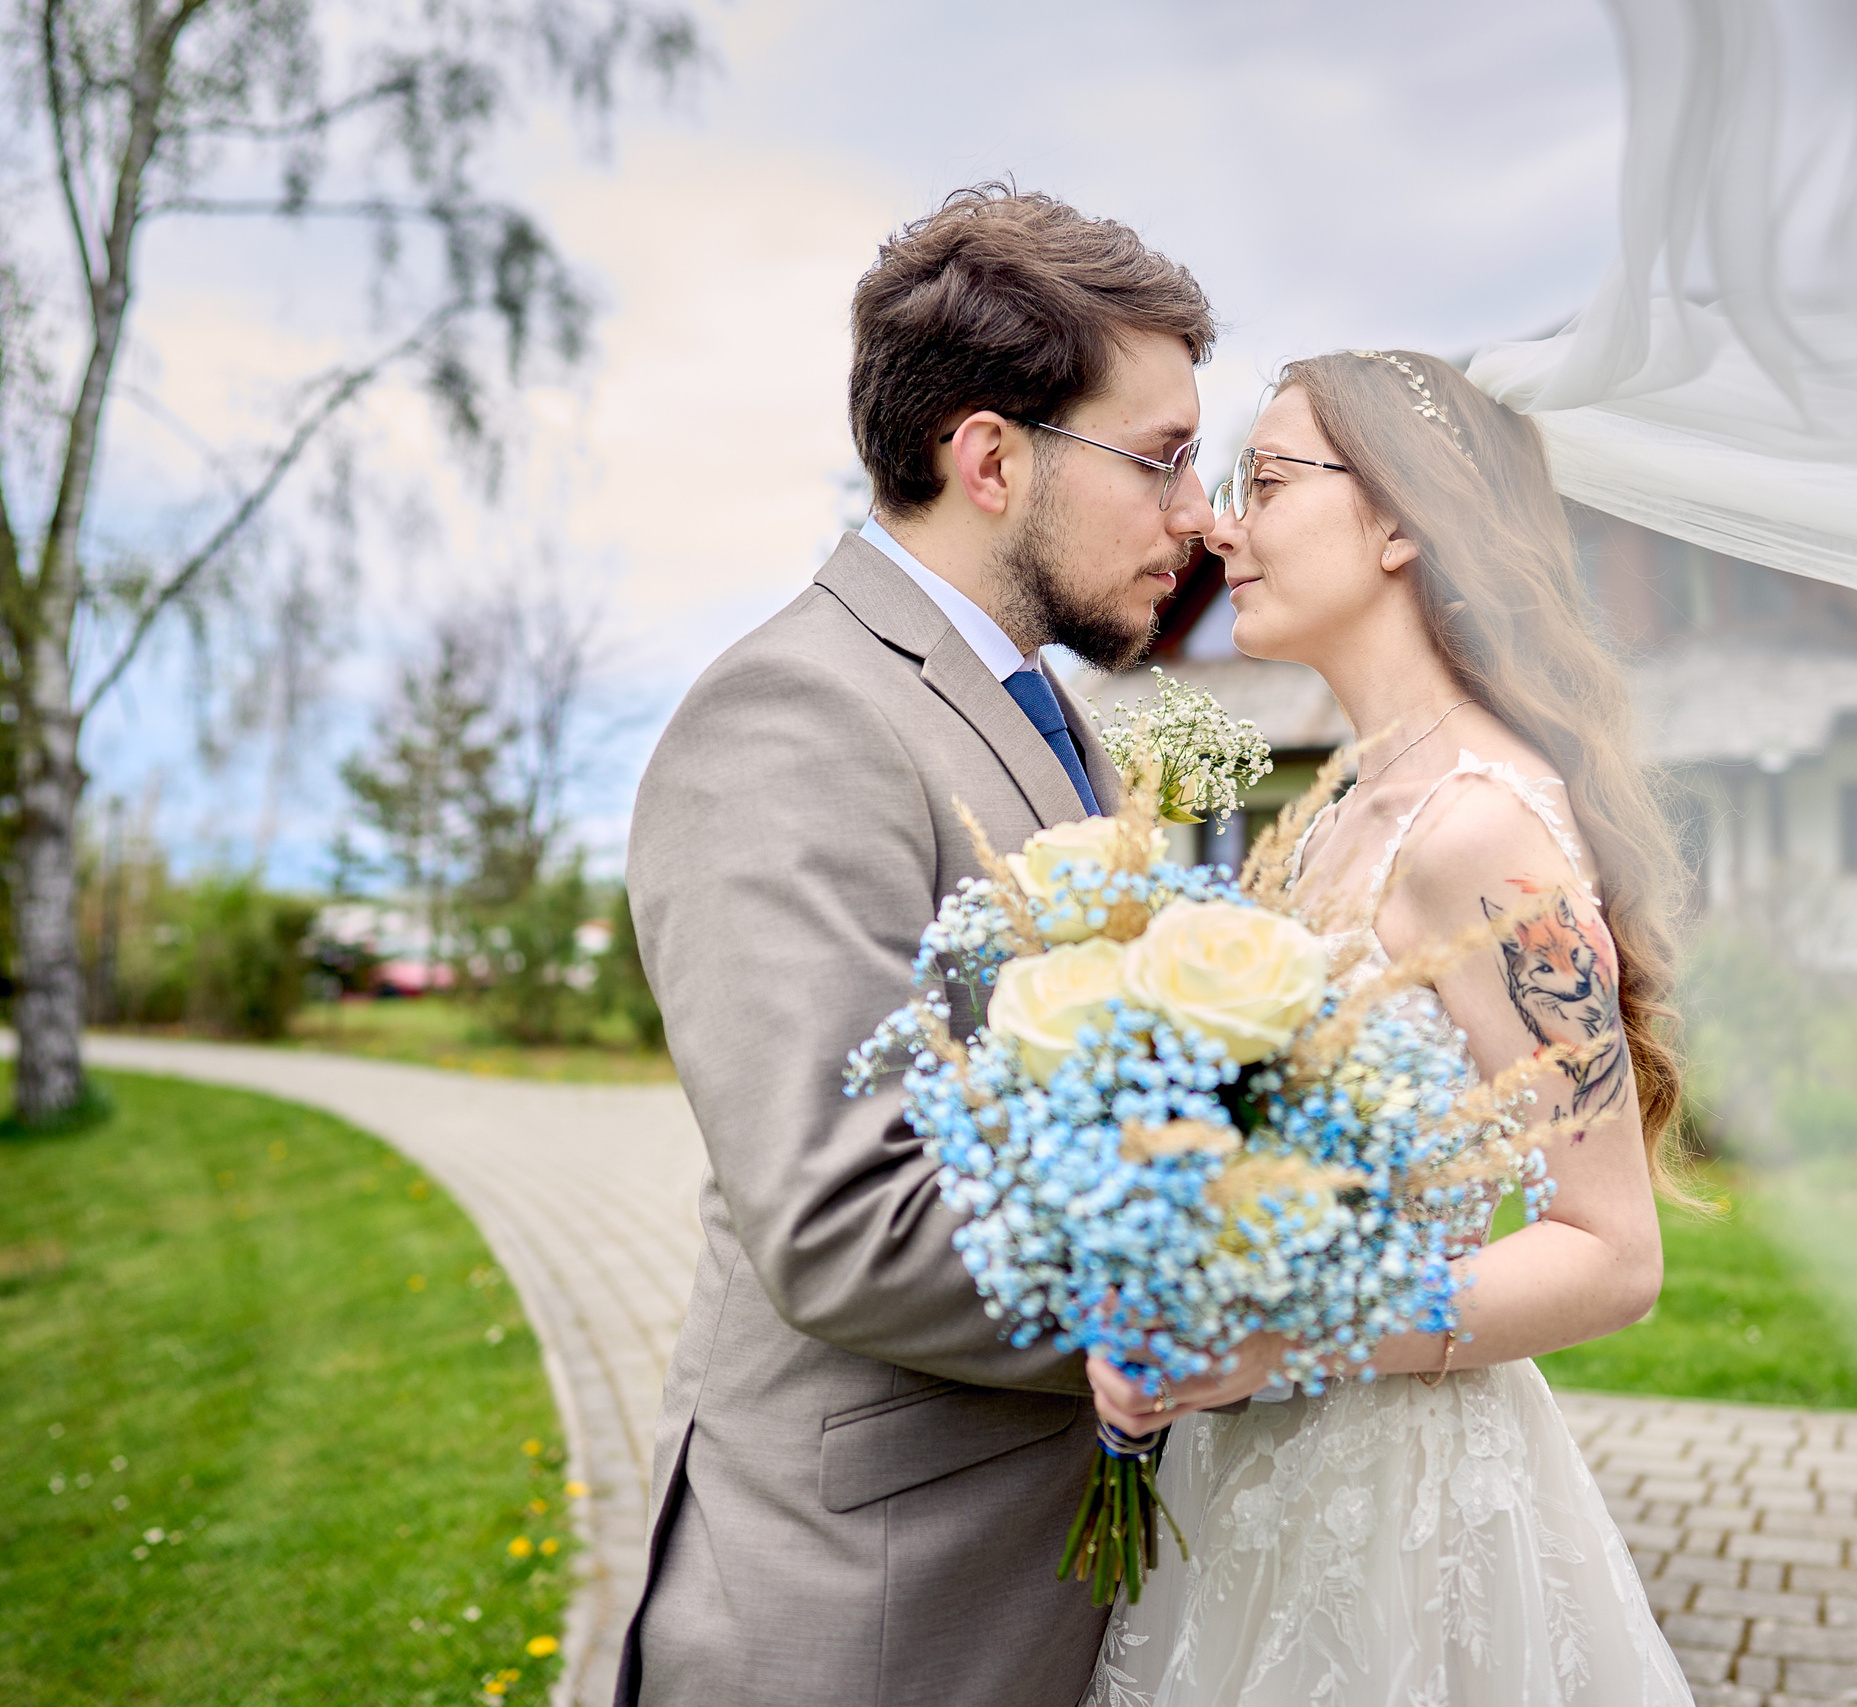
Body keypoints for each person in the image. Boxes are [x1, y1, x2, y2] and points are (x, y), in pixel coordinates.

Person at [614, 183, 1217, 1707]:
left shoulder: (1051, 707)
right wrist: (1236, 1269)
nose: (1198, 517)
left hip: (1037, 1565)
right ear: (993, 456)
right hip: (875, 1609)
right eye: (1160, 460)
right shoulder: (796, 716)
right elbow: (839, 1219)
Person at [1079, 350, 1698, 1706]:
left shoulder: (1480, 827)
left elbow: (1610, 1256)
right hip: (1254, 1481)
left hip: (1402, 1517)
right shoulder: (1346, 800)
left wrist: (1287, 1338)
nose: (1220, 526)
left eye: (1269, 481)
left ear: (1405, 521)